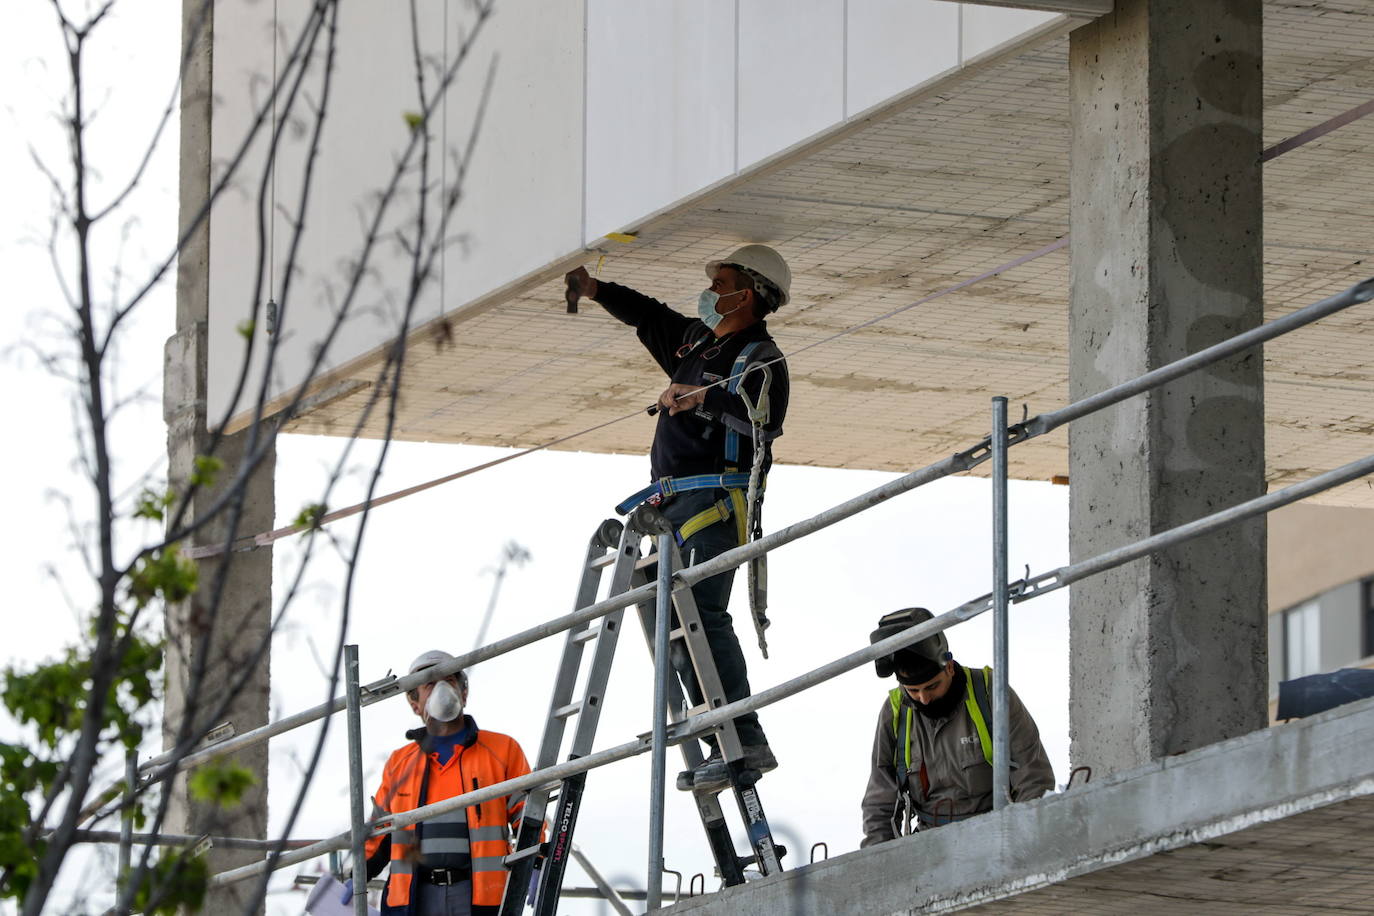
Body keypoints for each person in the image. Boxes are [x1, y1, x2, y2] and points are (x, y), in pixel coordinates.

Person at [564, 245, 792, 793]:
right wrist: (596, 291)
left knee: (703, 619)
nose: (711, 291)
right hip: (672, 504)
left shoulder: (762, 359)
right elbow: (650, 316)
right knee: (675, 628)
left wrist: (703, 402)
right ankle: (722, 739)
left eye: (722, 282)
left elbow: (763, 430)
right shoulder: (696, 343)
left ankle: (745, 740)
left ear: (751, 293)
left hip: (715, 503)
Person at [861, 608, 1054, 847]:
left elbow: (1032, 777)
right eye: (913, 691)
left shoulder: (990, 691)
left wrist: (1025, 842)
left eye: (932, 687)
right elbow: (880, 797)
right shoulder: (895, 712)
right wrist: (878, 860)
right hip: (931, 845)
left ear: (949, 667)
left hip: (996, 835)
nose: (923, 699)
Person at [358, 650, 532, 915]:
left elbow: (526, 815)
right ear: (414, 703)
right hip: (415, 897)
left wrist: (536, 864)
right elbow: (380, 833)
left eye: (449, 680)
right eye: (429, 684)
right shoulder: (400, 762)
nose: (441, 689)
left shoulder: (502, 749)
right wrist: (356, 874)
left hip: (479, 896)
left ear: (464, 693)